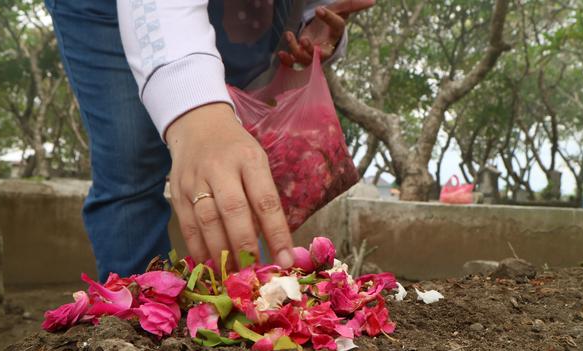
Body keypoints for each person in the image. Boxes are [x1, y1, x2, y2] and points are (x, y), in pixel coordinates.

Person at [45, 0, 374, 282]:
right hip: (104, 10)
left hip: (245, 11)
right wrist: (196, 111)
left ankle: (246, 306)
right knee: (131, 162)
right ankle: (136, 329)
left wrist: (317, 18)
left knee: (231, 165)